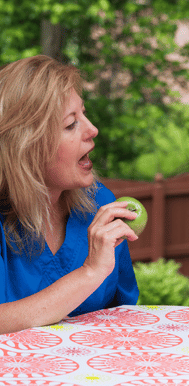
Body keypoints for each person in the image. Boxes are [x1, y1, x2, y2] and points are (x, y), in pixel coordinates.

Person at [0, 55, 140, 334]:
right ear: (26, 147)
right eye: (70, 124)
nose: (92, 130)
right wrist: (89, 273)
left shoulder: (100, 204)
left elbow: (122, 314)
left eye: (84, 115)